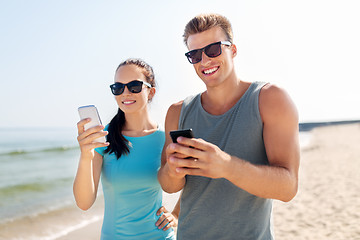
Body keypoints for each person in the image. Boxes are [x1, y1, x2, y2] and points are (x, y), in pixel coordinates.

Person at [158, 14, 300, 240]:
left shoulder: (270, 99)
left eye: (213, 49)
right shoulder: (177, 112)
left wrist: (226, 166)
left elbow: (288, 188)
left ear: (232, 50)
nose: (204, 61)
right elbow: (169, 186)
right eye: (194, 55)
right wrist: (172, 170)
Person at [74, 58, 177, 240]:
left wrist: (177, 213)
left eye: (134, 86)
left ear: (151, 92)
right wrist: (85, 156)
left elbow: (194, 180)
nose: (125, 93)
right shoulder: (103, 137)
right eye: (118, 88)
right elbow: (84, 203)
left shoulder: (164, 138)